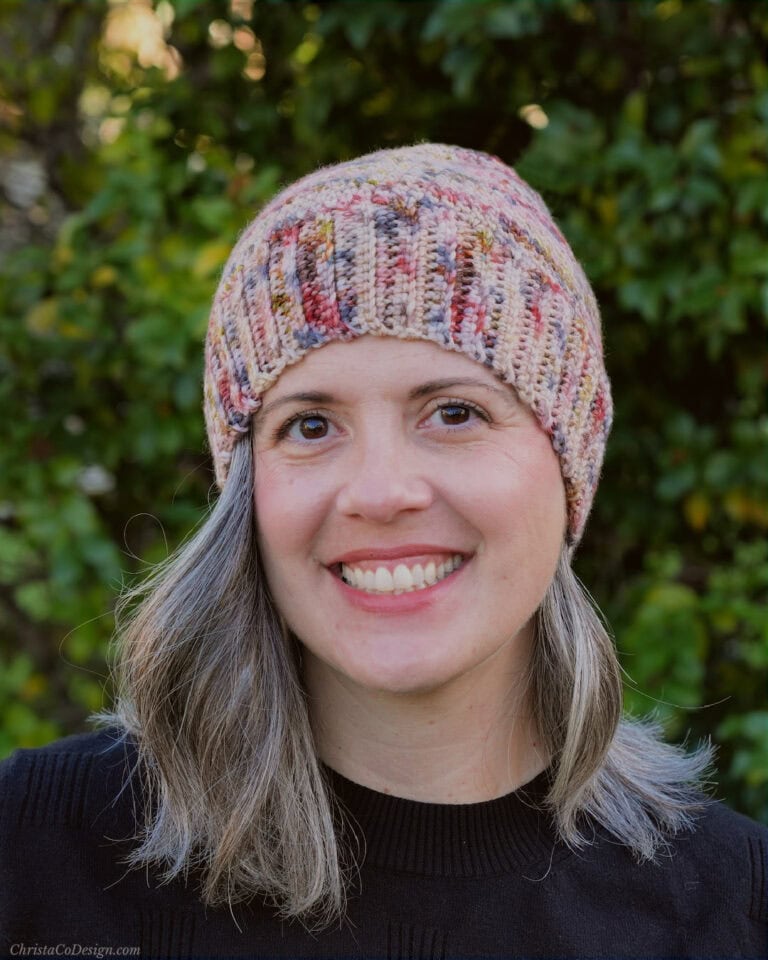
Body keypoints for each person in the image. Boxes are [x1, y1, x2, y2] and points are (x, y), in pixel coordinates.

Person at [1, 143, 765, 959]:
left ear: (569, 464)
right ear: (246, 490)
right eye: (311, 425)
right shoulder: (34, 854)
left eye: (455, 413)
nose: (379, 491)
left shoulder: (733, 910)